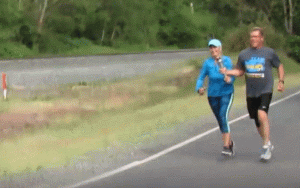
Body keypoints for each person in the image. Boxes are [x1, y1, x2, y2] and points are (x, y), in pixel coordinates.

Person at [220, 27, 285, 160]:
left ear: (261, 38)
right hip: (251, 93)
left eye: (256, 36)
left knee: (262, 114)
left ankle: (266, 146)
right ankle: (267, 142)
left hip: (265, 89)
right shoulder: (244, 54)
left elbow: (279, 66)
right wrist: (228, 72)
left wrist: (281, 81)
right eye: (251, 36)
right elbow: (240, 71)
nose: (253, 39)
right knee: (257, 121)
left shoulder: (269, 52)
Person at [195, 39, 236, 156]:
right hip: (212, 95)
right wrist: (199, 88)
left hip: (226, 93)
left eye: (215, 47)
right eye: (211, 48)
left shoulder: (226, 60)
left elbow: (232, 74)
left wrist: (229, 78)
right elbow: (201, 77)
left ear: (220, 48)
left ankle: (226, 146)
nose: (213, 50)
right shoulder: (207, 63)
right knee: (220, 120)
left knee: (223, 116)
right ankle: (230, 142)